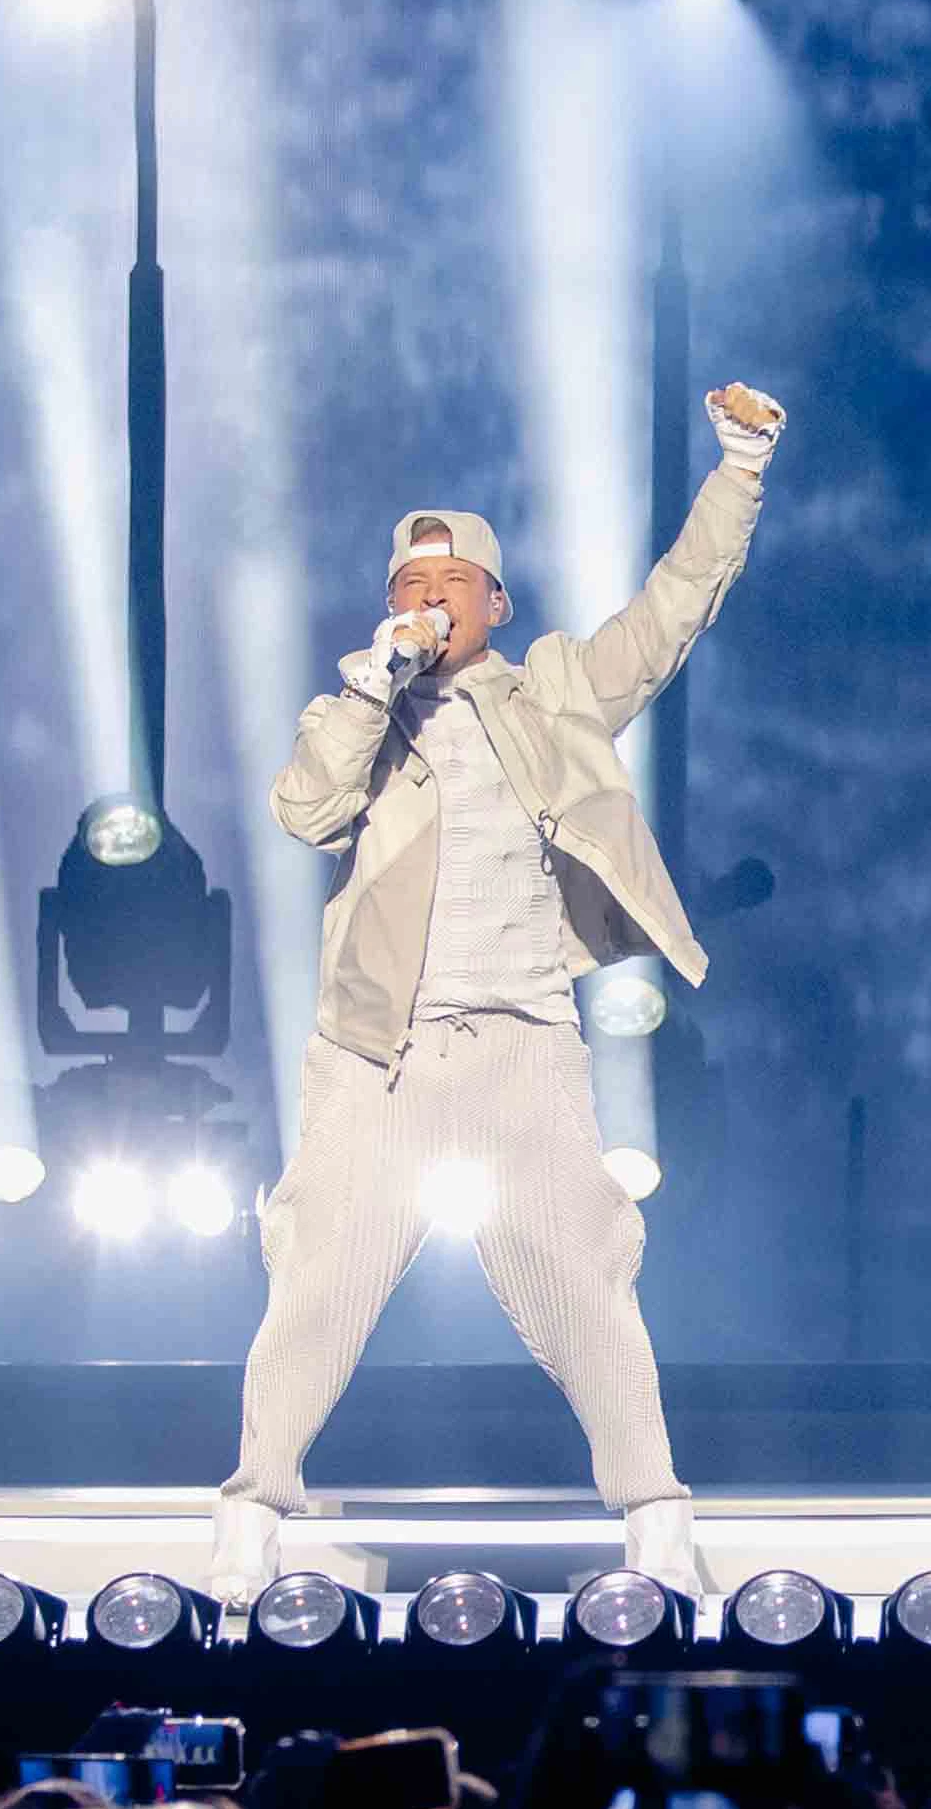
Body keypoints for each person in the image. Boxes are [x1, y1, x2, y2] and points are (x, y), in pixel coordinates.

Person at [208, 385, 785, 1604]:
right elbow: (304, 809)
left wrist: (738, 469)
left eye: (451, 583)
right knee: (317, 1275)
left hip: (524, 1037)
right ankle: (250, 1516)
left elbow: (672, 611)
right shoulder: (352, 713)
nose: (428, 601)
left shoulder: (555, 690)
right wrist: (374, 686)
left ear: (496, 604)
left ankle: (658, 1523)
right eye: (409, 586)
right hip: (380, 1050)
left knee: (586, 1274)